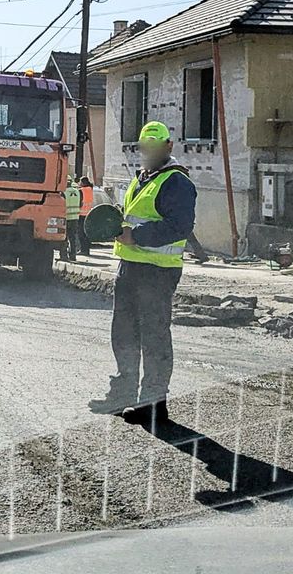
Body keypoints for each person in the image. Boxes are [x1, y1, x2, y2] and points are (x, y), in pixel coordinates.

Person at [88, 121, 197, 423]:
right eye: (145, 147)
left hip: (158, 271)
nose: (148, 152)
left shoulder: (176, 182)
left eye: (155, 146)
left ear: (168, 146)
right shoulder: (143, 179)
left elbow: (179, 227)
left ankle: (153, 405)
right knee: (124, 333)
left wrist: (135, 236)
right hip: (130, 266)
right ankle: (123, 395)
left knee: (153, 337)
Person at [62, 177, 82, 261]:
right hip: (75, 218)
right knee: (72, 238)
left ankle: (63, 256)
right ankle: (73, 256)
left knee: (64, 238)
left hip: (65, 218)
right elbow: (80, 204)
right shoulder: (77, 191)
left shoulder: (63, 192)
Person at [78, 176, 94, 254]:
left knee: (81, 233)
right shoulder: (90, 189)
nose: (79, 183)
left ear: (83, 183)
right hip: (88, 214)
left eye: (80, 182)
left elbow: (79, 203)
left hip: (81, 214)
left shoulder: (81, 190)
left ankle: (83, 250)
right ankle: (86, 250)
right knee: (86, 233)